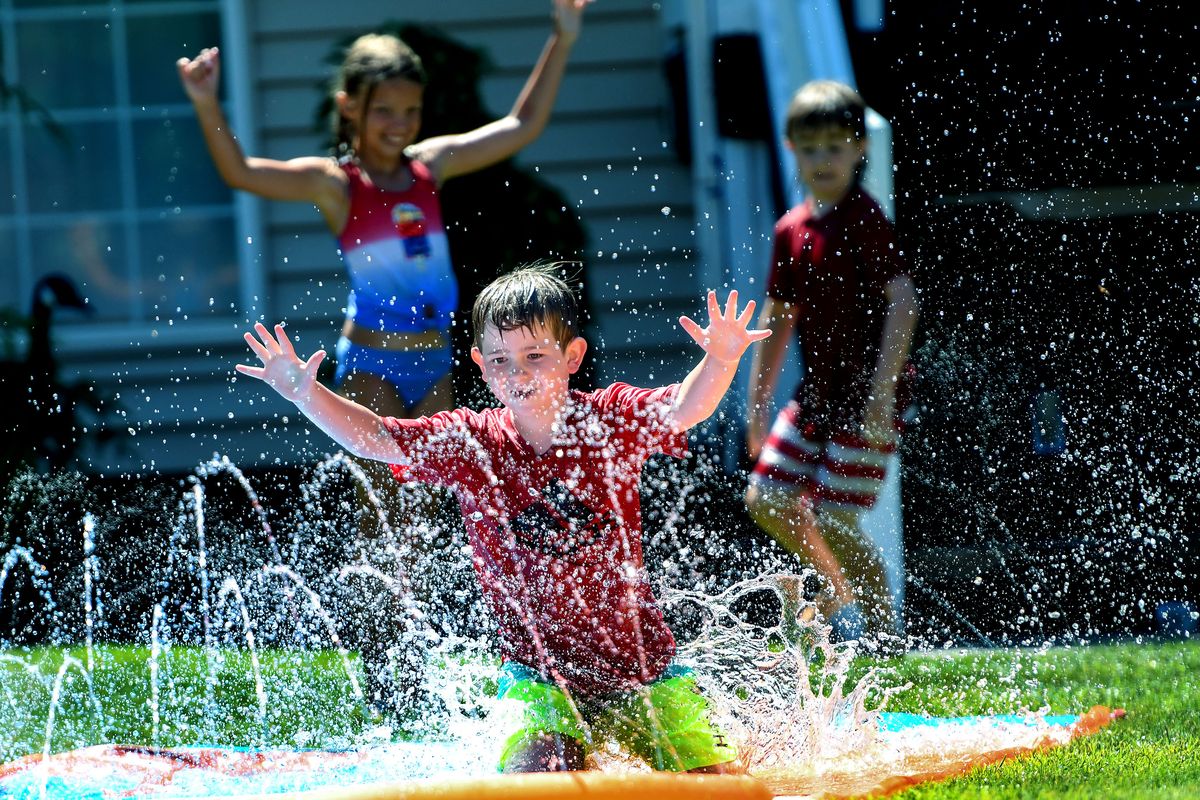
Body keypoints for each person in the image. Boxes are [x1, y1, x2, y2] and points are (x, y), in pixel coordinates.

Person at [234, 263, 769, 772]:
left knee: (715, 787)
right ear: (479, 363)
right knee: (542, 781)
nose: (516, 373)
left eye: (535, 356)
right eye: (500, 359)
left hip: (645, 673)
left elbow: (683, 408)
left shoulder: (607, 419)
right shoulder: (474, 442)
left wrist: (721, 360)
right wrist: (305, 392)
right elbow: (375, 438)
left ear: (573, 356)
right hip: (539, 681)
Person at [177, 0, 590, 418]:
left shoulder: (429, 167)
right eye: (384, 111)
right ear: (349, 106)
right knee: (381, 484)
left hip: (435, 360)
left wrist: (564, 35)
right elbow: (241, 173)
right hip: (373, 364)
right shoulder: (337, 185)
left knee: (431, 484)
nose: (400, 123)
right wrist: (205, 101)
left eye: (411, 111)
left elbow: (522, 125)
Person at [743, 80, 918, 650]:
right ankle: (841, 592)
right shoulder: (791, 231)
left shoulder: (864, 219)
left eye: (835, 146)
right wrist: (756, 406)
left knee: (837, 520)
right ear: (791, 148)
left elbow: (904, 301)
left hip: (870, 399)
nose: (823, 159)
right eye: (811, 147)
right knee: (765, 499)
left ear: (858, 148)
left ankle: (884, 637)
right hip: (816, 396)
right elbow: (775, 319)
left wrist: (880, 394)